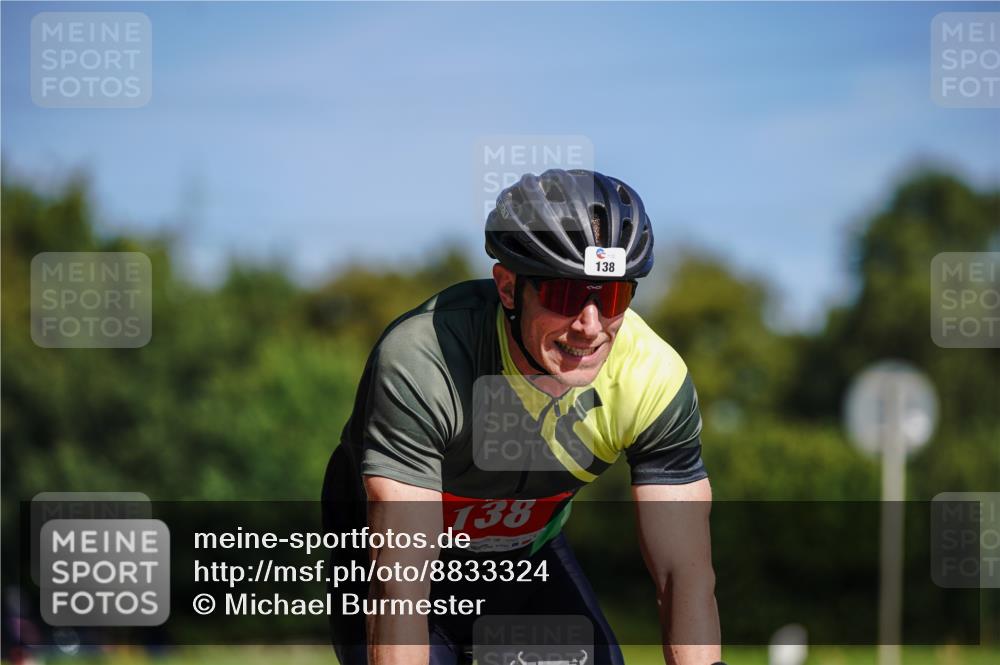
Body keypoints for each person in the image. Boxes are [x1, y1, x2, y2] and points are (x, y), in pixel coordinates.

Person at [322, 169, 721, 665]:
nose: (590, 326)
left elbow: (684, 575)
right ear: (509, 288)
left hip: (525, 558)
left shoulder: (653, 378)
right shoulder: (426, 359)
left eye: (613, 296)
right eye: (565, 295)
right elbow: (401, 580)